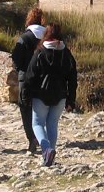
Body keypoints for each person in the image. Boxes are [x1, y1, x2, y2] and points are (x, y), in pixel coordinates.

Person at [23, 23, 78, 167]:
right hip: (60, 95)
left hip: (40, 94)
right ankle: (49, 158)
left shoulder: (40, 52)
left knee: (37, 123)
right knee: (52, 124)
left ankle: (46, 149)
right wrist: (71, 99)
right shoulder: (66, 53)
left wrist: (25, 95)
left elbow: (30, 76)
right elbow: (72, 77)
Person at [10, 8, 46, 154]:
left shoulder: (24, 37)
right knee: (40, 109)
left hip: (25, 77)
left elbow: (16, 57)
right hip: (43, 77)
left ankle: (31, 138)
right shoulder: (47, 37)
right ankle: (42, 137)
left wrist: (19, 70)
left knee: (25, 108)